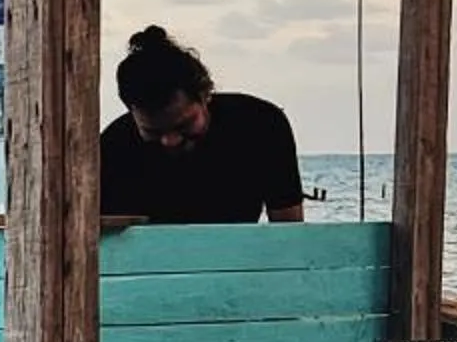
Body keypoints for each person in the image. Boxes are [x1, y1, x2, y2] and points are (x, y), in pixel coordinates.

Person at [98, 26, 307, 225]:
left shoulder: (260, 126)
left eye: (184, 125)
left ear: (205, 94)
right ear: (130, 112)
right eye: (153, 132)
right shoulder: (114, 146)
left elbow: (288, 232)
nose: (170, 141)